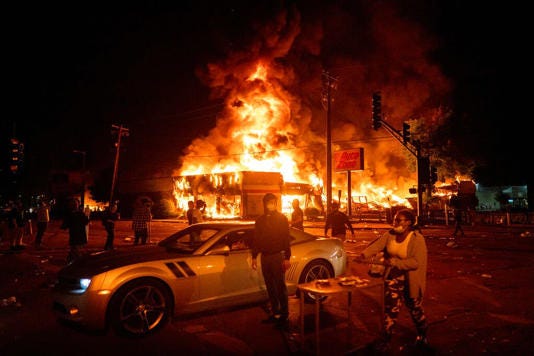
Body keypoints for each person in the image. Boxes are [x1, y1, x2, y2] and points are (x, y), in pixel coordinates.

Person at [357, 209, 429, 351]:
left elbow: (416, 262)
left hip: (410, 280)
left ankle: (422, 335)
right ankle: (385, 340)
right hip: (393, 278)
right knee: (390, 309)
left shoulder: (417, 239)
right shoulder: (390, 234)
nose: (394, 222)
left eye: (398, 220)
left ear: (408, 222)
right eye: (394, 219)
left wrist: (395, 262)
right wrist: (363, 255)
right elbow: (377, 245)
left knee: (415, 310)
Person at [251, 193, 291, 330]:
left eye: (273, 202)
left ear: (276, 203)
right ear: (265, 203)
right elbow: (256, 239)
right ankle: (276, 313)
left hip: (277, 256)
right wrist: (254, 256)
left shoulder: (282, 219)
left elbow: (286, 239)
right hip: (265, 257)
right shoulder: (260, 220)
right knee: (270, 287)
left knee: (280, 286)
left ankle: (284, 315)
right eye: (269, 202)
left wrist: (287, 258)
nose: (271, 204)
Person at [60, 198, 89, 264]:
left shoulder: (78, 213)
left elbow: (85, 221)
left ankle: (71, 260)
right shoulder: (72, 214)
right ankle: (74, 261)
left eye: (76, 204)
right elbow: (86, 222)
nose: (75, 205)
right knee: (75, 249)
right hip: (75, 234)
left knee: (75, 248)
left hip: (78, 234)